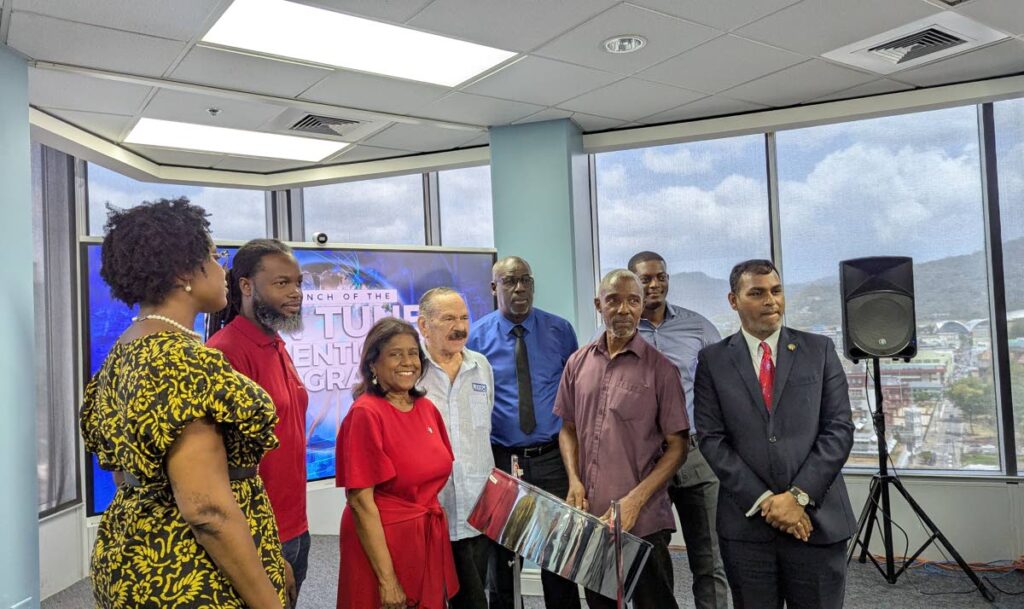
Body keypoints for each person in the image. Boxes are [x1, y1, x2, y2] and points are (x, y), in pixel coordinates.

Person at [79, 198, 288, 608]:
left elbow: (125, 473)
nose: (222, 268)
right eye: (214, 256)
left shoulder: (127, 350)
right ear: (182, 273)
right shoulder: (180, 362)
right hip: (189, 571)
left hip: (137, 549)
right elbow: (207, 510)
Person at [694, 259, 856, 609]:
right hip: (747, 527)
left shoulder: (819, 351)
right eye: (757, 293)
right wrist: (768, 502)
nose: (771, 301)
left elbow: (839, 429)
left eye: (776, 291)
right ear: (733, 301)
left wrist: (797, 497)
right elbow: (711, 438)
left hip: (815, 522)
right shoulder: (713, 361)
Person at [554, 269, 690, 609]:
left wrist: (634, 501)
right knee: (601, 605)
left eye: (633, 301)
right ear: (599, 304)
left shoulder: (662, 370)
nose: (623, 309)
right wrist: (573, 480)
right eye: (613, 300)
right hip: (594, 520)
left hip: (642, 520)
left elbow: (677, 447)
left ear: (642, 307)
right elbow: (567, 429)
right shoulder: (577, 363)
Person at [465, 256, 581, 609]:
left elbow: (575, 395)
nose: (519, 289)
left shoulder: (560, 330)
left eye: (526, 280)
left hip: (550, 458)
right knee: (501, 559)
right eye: (510, 281)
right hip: (501, 459)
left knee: (559, 557)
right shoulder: (477, 337)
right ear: (493, 288)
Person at [207, 239, 309, 603]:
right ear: (246, 286)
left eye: (298, 283)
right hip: (258, 531)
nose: (296, 292)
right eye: (282, 283)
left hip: (295, 524)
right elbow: (215, 469)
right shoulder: (225, 353)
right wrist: (256, 543)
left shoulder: (276, 343)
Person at [627, 251, 729, 609]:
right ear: (632, 282)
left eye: (661, 277)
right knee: (651, 556)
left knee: (710, 556)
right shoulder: (615, 333)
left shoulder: (698, 327)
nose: (654, 285)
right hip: (645, 461)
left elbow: (725, 384)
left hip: (696, 453)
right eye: (645, 278)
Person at [335, 317, 459, 609]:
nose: (408, 362)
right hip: (380, 545)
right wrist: (387, 579)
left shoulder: (426, 409)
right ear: (373, 364)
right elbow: (360, 502)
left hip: (423, 537)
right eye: (395, 354)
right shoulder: (365, 414)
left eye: (413, 352)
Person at [416, 287, 497, 609]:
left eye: (464, 317)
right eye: (448, 318)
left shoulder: (481, 366)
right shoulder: (411, 371)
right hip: (429, 510)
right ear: (424, 325)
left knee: (474, 599)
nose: (460, 326)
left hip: (477, 506)